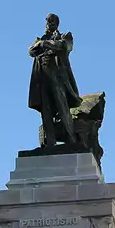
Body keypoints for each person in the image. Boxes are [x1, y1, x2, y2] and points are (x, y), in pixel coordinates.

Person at [28, 13, 82, 146]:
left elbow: (64, 46)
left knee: (62, 107)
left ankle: (71, 138)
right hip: (42, 78)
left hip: (57, 77)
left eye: (52, 21)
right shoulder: (39, 39)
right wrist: (43, 43)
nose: (49, 23)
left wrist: (46, 44)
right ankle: (50, 142)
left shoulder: (65, 36)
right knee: (45, 110)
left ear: (57, 23)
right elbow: (31, 51)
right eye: (47, 20)